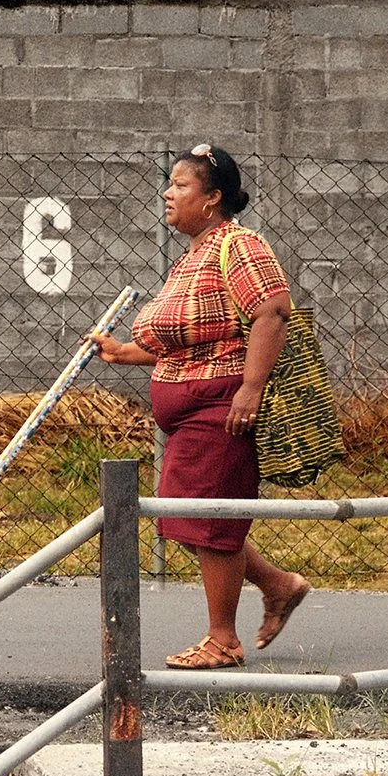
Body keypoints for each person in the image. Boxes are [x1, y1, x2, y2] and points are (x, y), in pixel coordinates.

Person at [86, 142, 312, 670]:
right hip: (191, 412)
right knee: (192, 520)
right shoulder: (193, 255)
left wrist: (250, 390)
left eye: (181, 185)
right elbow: (189, 338)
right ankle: (278, 586)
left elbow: (273, 313)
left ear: (211, 200)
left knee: (208, 521)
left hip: (221, 409)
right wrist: (123, 352)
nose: (168, 193)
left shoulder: (242, 246)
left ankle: (223, 640)